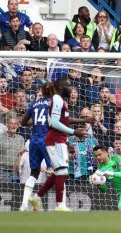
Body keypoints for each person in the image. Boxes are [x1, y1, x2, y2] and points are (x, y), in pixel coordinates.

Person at [28, 78, 90, 212]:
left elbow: (64, 121)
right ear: (61, 87)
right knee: (62, 171)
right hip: (55, 139)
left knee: (59, 172)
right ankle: (60, 205)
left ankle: (37, 197)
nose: (71, 88)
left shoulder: (61, 101)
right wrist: (74, 132)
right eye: (69, 86)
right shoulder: (56, 98)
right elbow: (54, 123)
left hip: (59, 139)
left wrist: (82, 121)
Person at [18, 83, 54, 211]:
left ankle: (23, 205)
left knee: (34, 173)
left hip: (33, 140)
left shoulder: (34, 103)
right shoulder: (52, 103)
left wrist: (35, 121)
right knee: (58, 171)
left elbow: (22, 123)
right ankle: (62, 204)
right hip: (46, 140)